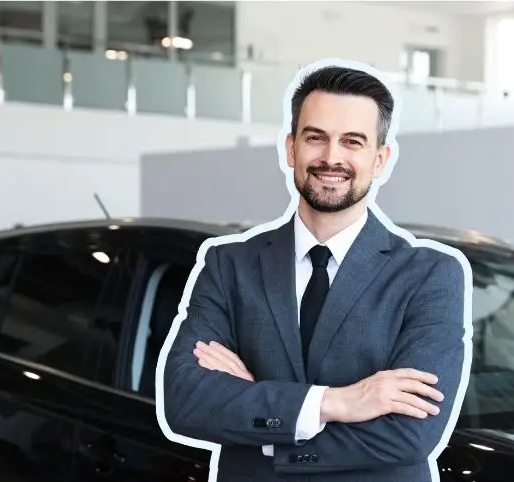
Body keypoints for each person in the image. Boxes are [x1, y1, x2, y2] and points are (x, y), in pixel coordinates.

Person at [157, 60, 471, 482]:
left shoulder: (431, 275)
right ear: (291, 148)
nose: (331, 157)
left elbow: (411, 434)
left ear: (380, 159)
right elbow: (186, 403)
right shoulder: (229, 264)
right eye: (316, 138)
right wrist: (336, 402)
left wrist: (260, 417)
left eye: (352, 142)